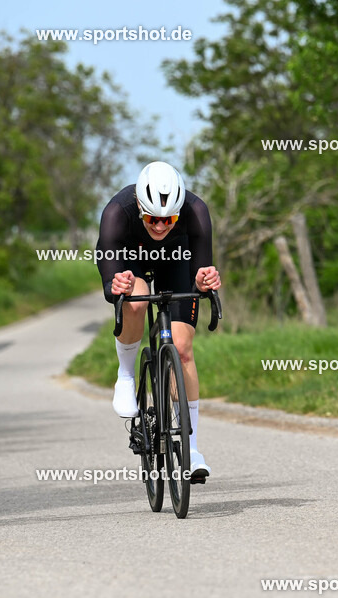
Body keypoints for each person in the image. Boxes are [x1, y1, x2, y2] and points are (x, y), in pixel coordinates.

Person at [95, 161, 221, 480]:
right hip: (131, 260)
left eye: (169, 219)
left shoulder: (196, 210)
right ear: (139, 205)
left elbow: (200, 271)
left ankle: (191, 449)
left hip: (178, 261)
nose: (161, 226)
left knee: (182, 349)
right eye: (152, 218)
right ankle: (125, 375)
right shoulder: (116, 212)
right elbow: (111, 280)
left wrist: (205, 281)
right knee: (135, 303)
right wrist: (116, 286)